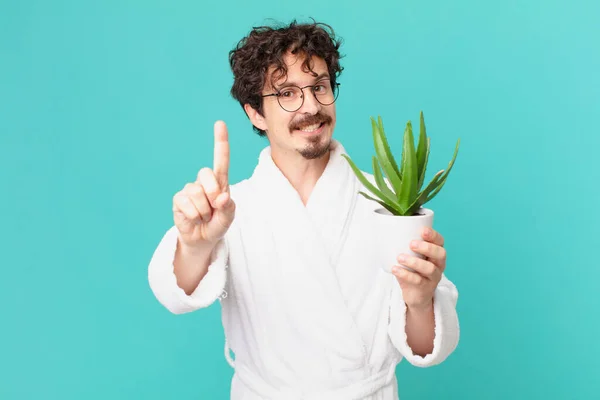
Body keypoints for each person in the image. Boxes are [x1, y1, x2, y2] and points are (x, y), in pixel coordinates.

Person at [148, 19, 460, 400]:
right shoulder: (230, 209)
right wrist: (195, 245)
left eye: (319, 87)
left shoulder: (391, 200)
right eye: (287, 94)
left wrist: (420, 300)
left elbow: (427, 347)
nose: (311, 106)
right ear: (255, 114)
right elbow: (173, 292)